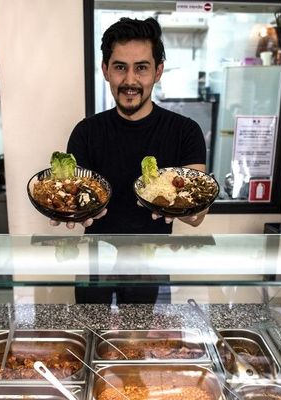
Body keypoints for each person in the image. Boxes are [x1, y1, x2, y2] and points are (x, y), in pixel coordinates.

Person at [50, 17, 210, 303]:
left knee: (143, 346)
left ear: (158, 71)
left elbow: (197, 214)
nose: (130, 80)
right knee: (93, 341)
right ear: (105, 70)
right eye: (120, 67)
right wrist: (64, 207)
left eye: (142, 68)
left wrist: (177, 209)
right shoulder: (86, 132)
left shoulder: (185, 131)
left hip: (151, 267)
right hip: (94, 266)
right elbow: (73, 195)